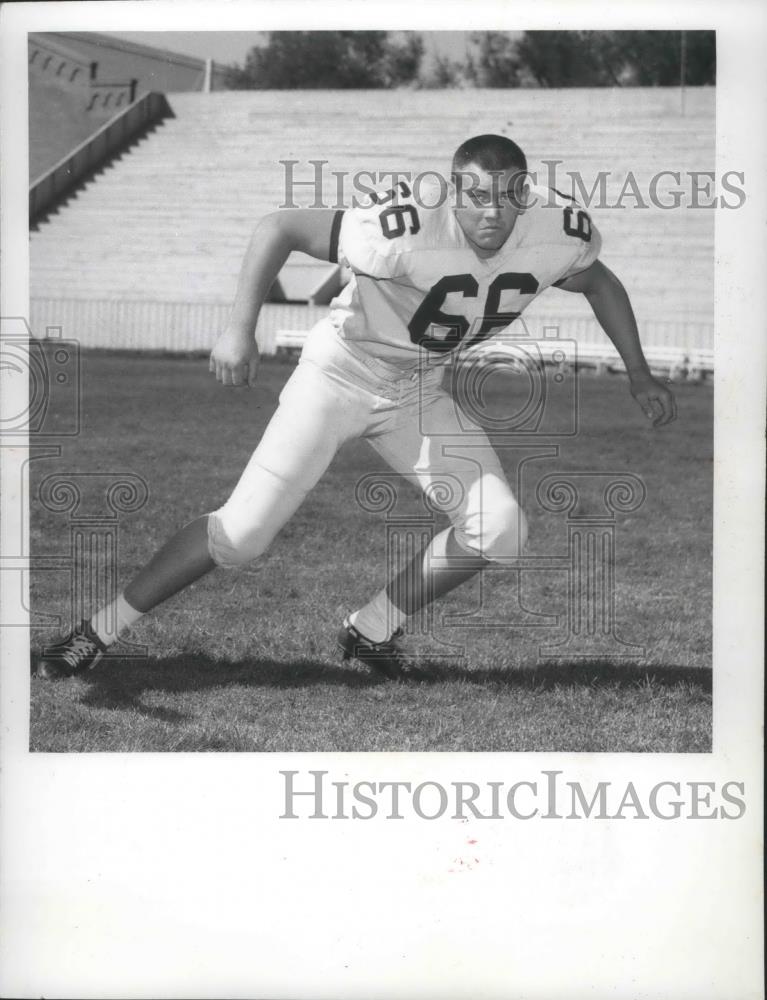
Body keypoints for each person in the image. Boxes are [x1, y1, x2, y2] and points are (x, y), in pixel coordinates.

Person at [34, 134, 675, 681]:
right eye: (476, 194)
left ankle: (371, 630)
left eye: (507, 195)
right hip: (337, 375)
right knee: (244, 534)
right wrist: (239, 328)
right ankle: (99, 630)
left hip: (417, 390)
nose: (491, 211)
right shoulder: (404, 227)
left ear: (525, 192)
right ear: (454, 192)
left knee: (501, 529)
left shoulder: (553, 231)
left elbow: (599, 280)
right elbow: (279, 225)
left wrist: (640, 373)